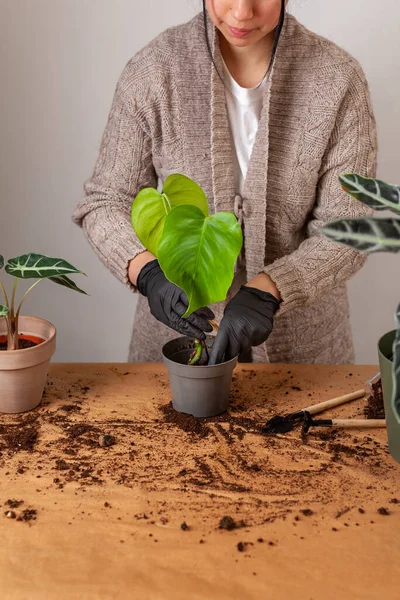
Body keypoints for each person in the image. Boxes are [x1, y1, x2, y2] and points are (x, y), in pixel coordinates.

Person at [72, 0, 377, 365]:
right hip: (174, 357)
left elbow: (349, 229)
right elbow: (105, 201)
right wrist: (148, 273)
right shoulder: (155, 71)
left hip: (304, 360)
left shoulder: (338, 78)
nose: (241, 12)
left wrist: (273, 290)